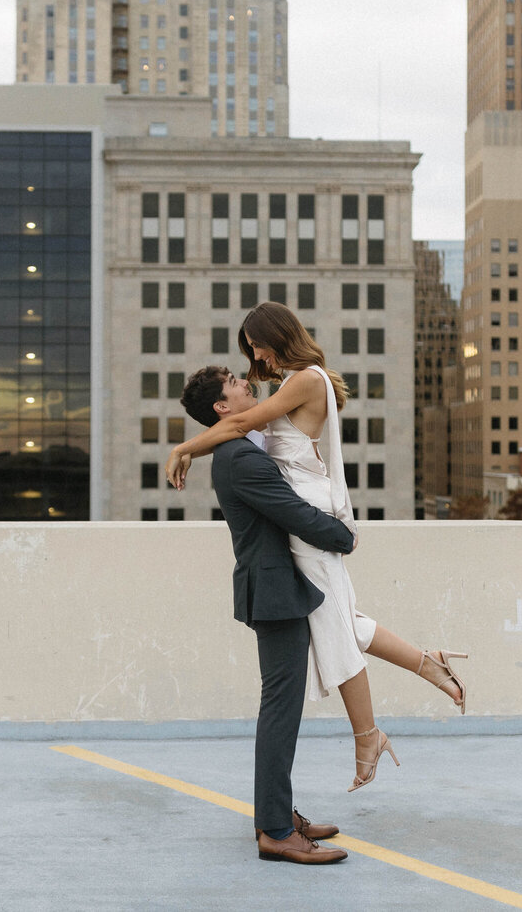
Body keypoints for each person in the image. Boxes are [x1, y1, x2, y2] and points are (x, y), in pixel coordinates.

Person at [168, 302, 468, 792]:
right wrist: (187, 448)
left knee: (332, 625)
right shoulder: (296, 383)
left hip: (307, 514)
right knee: (341, 618)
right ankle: (427, 663)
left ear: (276, 337)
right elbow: (236, 425)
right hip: (301, 513)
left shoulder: (305, 380)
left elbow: (239, 425)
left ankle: (367, 736)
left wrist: (182, 449)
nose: (255, 357)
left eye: (257, 345)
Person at [178, 364, 353, 866]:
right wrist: (345, 537)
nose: (245, 381)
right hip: (274, 590)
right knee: (280, 709)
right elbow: (293, 512)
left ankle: (274, 815)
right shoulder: (239, 459)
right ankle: (276, 831)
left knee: (281, 707)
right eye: (235, 381)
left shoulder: (237, 448)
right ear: (221, 407)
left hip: (274, 586)